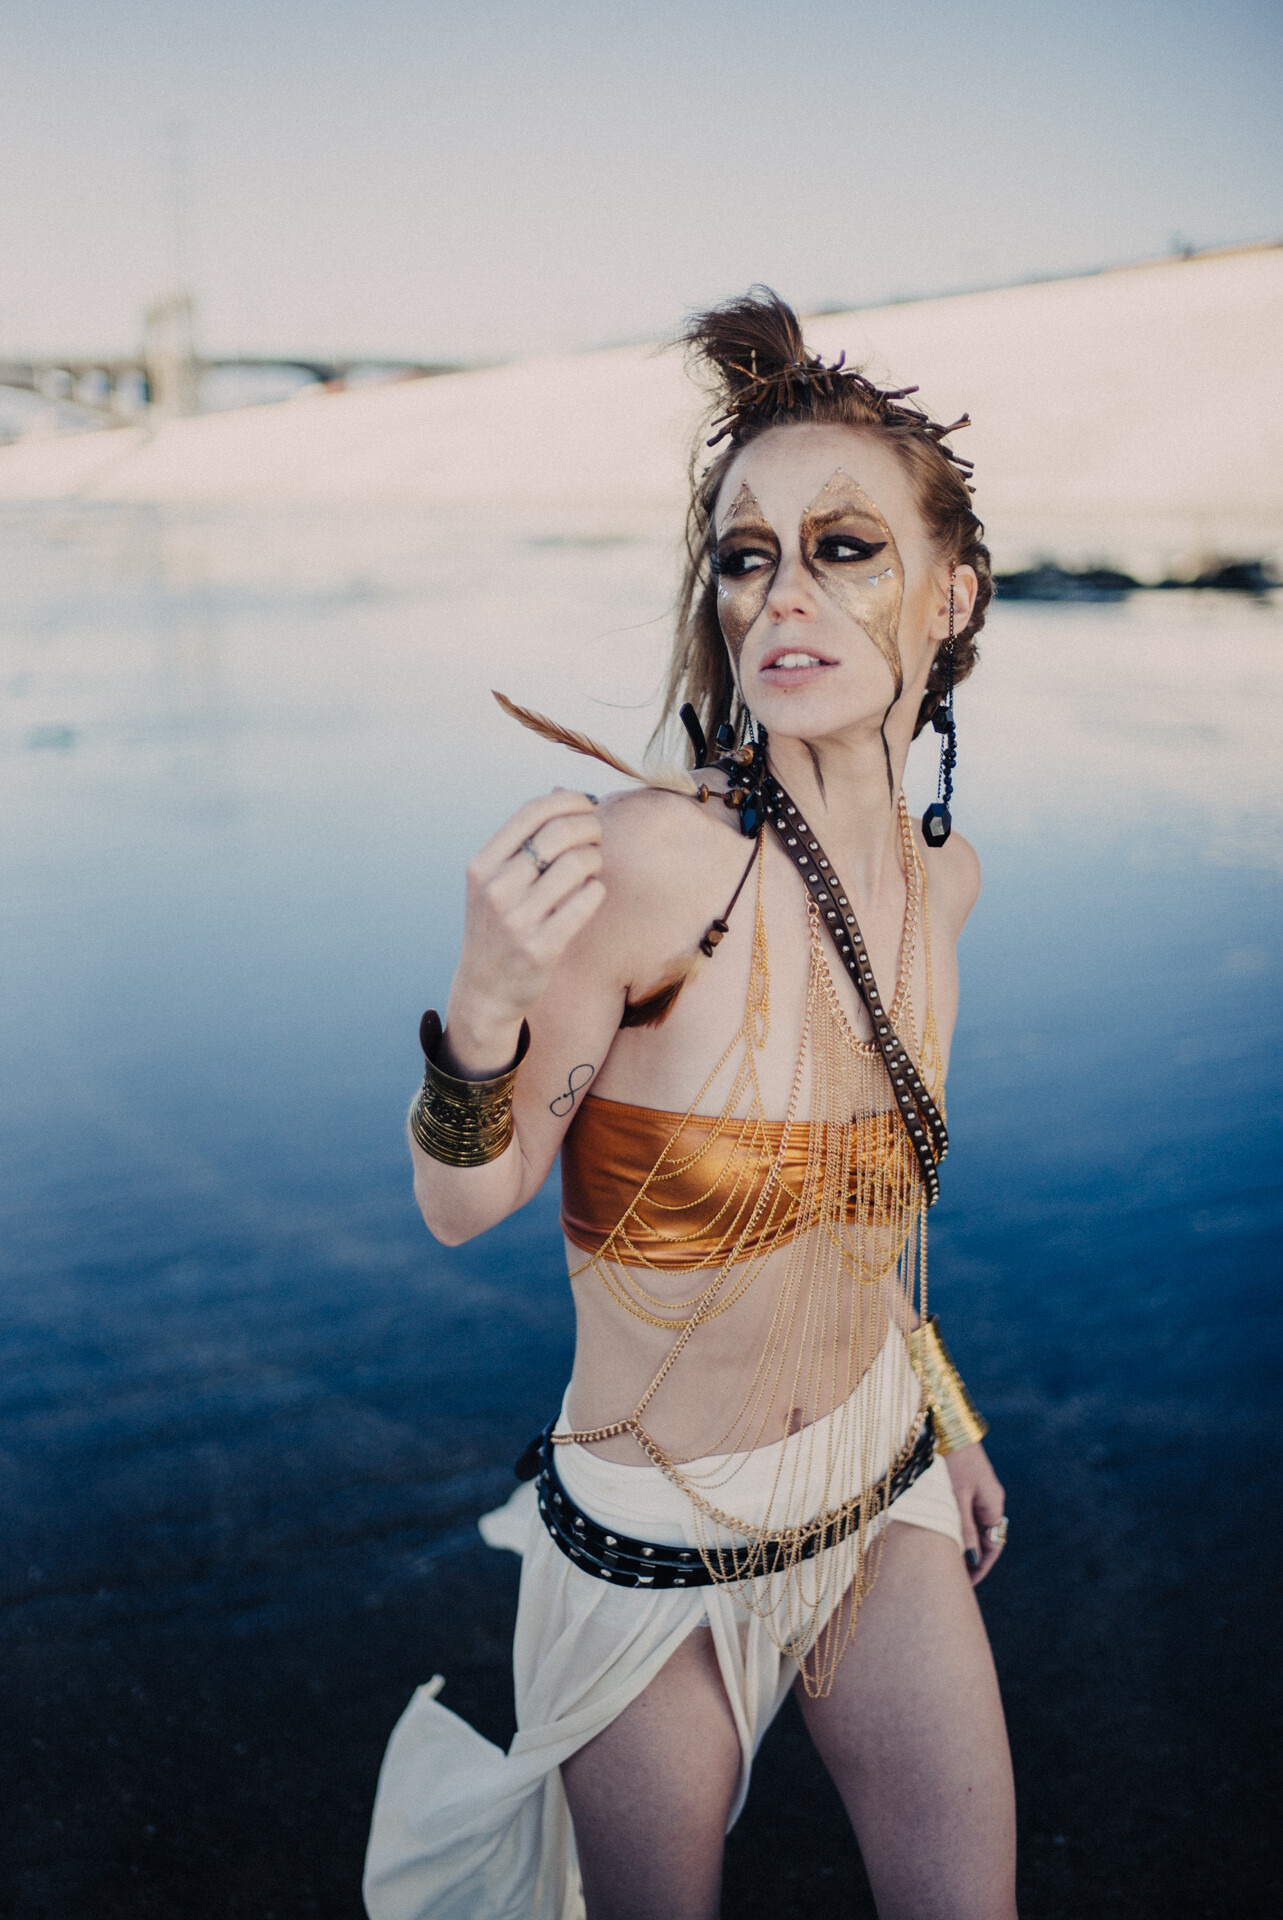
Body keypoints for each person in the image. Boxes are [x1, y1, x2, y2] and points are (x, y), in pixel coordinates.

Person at [364, 288, 1016, 1920]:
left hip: (875, 1479)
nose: (782, 594)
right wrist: (482, 1012)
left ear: (952, 592)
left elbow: (869, 1210)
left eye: (843, 548)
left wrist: (943, 1413)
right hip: (651, 1539)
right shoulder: (655, 862)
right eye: (745, 557)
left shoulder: (943, 885)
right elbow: (462, 1204)